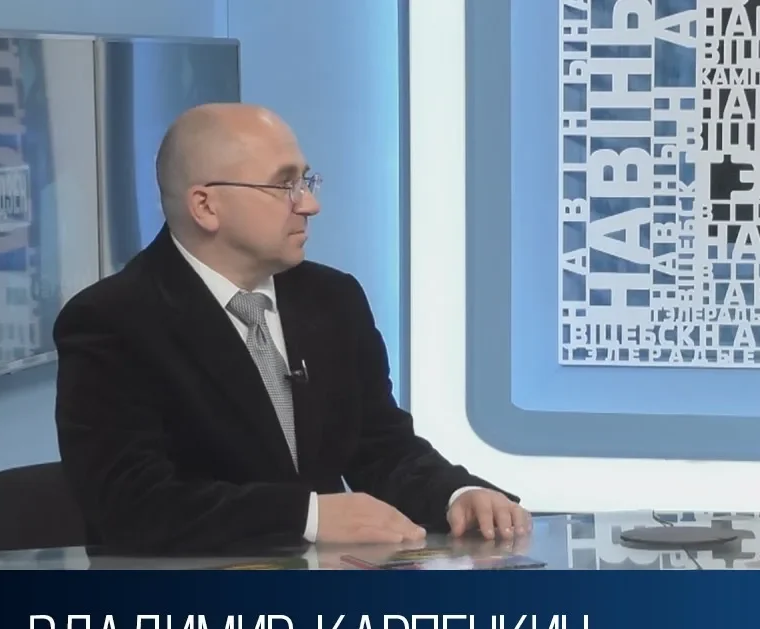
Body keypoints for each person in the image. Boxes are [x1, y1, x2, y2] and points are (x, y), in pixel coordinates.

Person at [54, 103, 529, 553]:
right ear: (206, 206)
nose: (310, 204)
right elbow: (132, 504)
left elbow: (381, 446)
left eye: (306, 180)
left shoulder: (334, 299)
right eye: (285, 185)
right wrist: (307, 516)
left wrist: (456, 495)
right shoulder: (112, 321)